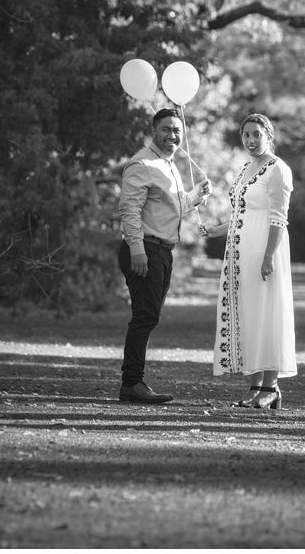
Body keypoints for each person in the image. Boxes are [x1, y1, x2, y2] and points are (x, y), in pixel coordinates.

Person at [199, 114, 296, 409]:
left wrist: (268, 256)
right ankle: (256, 386)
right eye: (246, 135)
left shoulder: (278, 169)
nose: (251, 141)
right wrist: (214, 230)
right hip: (239, 253)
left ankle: (272, 387)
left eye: (256, 134)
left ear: (268, 135)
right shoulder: (245, 168)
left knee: (268, 314)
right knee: (249, 315)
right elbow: (241, 216)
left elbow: (279, 218)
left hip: (265, 249)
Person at [116, 107, 211, 403]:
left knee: (149, 316)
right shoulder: (141, 164)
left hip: (162, 251)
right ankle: (132, 383)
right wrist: (137, 249)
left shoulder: (168, 165)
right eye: (167, 129)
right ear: (154, 130)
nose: (173, 135)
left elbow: (171, 208)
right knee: (144, 316)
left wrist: (195, 196)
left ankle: (133, 382)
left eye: (177, 131)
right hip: (145, 249)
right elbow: (129, 209)